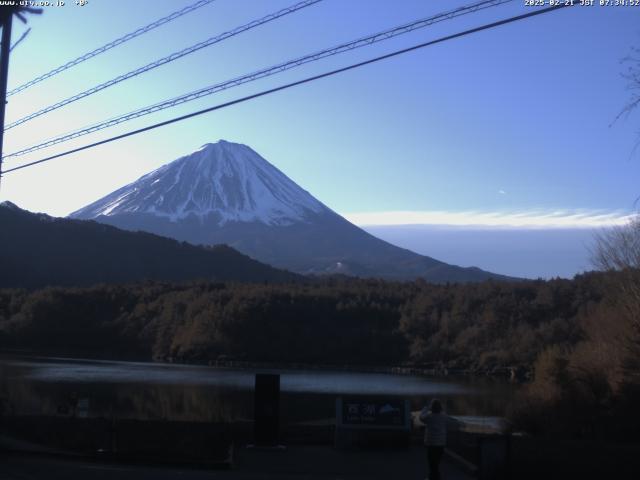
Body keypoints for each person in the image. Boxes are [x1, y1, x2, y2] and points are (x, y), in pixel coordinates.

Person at [420, 399, 447, 480]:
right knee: (436, 462)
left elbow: (421, 417)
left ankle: (433, 477)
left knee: (432, 463)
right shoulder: (443, 417)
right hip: (441, 444)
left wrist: (426, 408)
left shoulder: (429, 417)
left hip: (431, 444)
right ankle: (434, 477)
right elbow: (451, 422)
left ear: (432, 408)